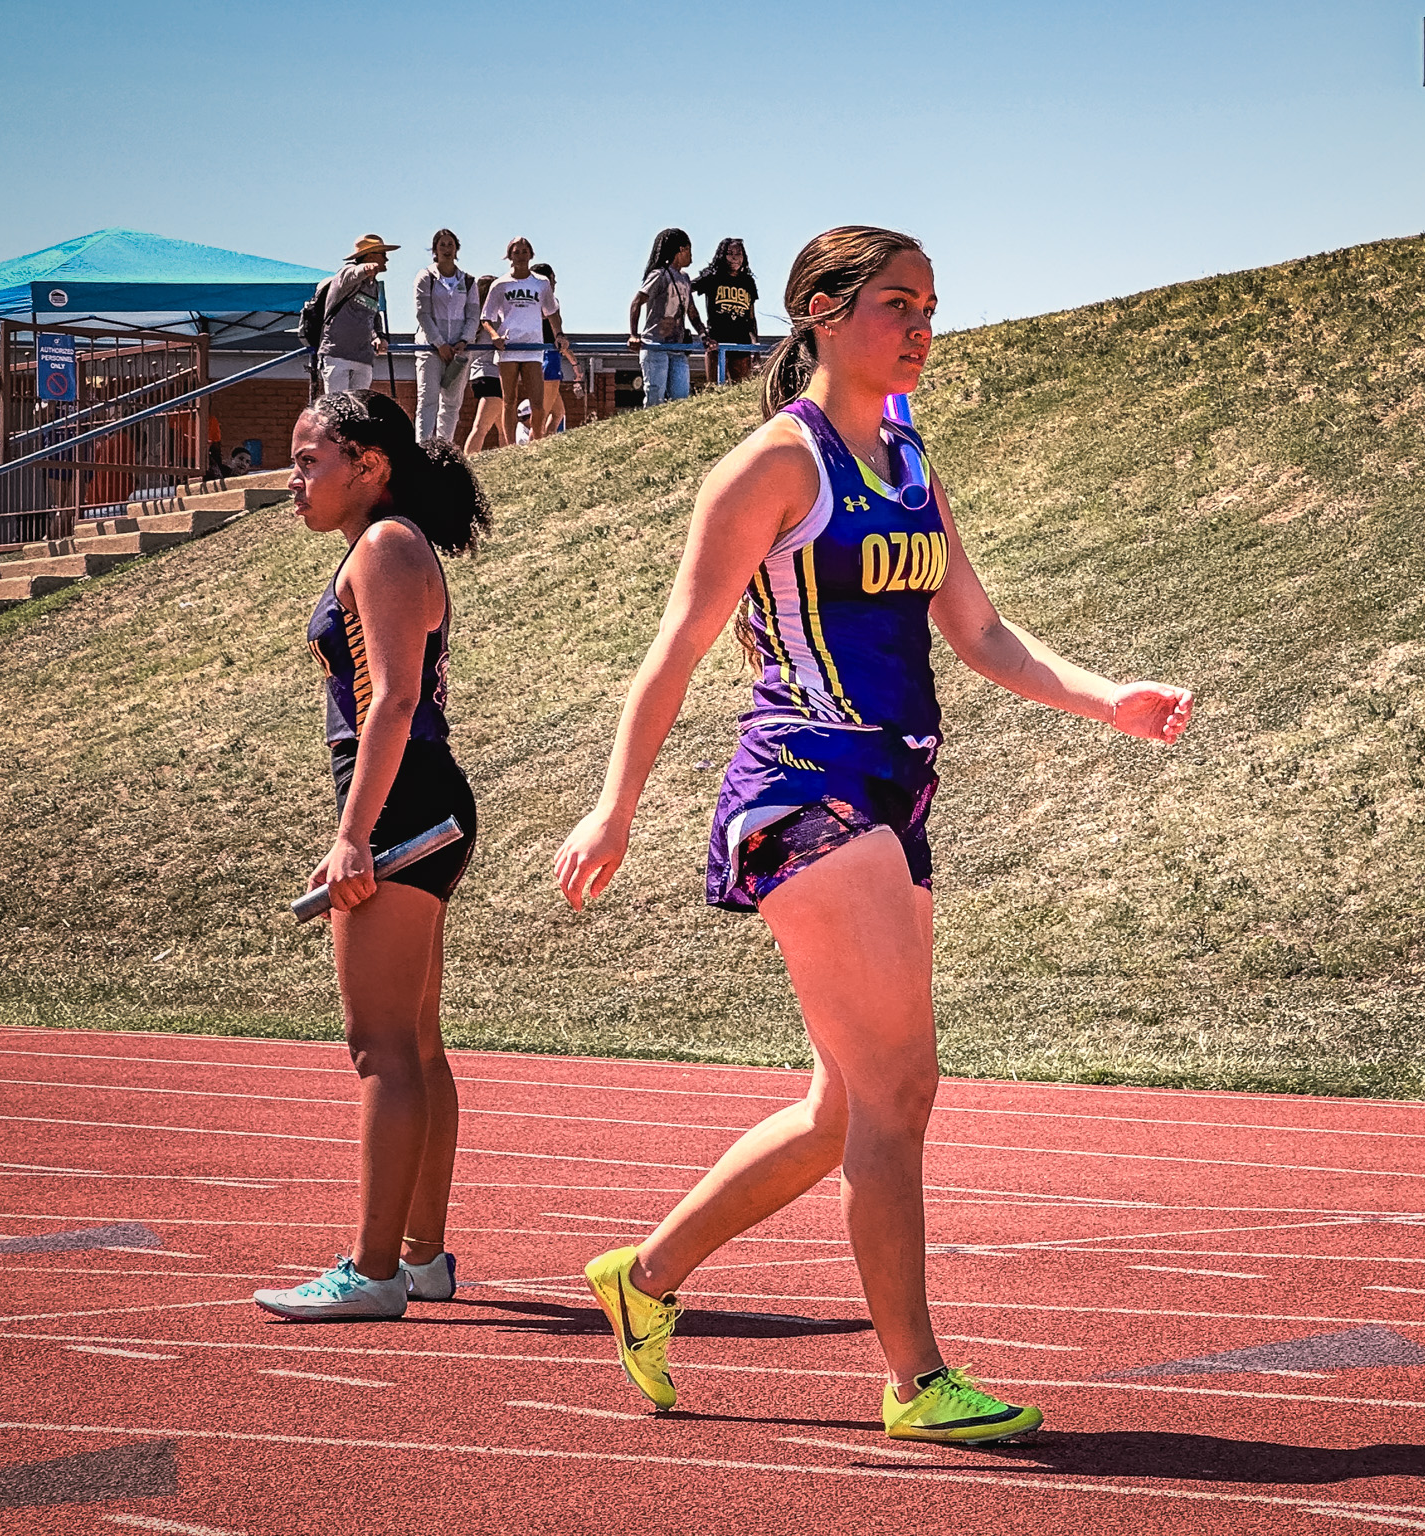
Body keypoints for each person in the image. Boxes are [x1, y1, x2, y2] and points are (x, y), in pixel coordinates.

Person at [552, 226, 1194, 1442]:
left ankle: (641, 1280)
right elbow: (678, 645)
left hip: (900, 792)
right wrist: (614, 804)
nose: (921, 327)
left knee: (843, 1109)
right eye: (898, 303)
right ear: (821, 311)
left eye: (932, 306)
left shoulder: (907, 459)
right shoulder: (769, 468)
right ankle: (914, 1381)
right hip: (801, 785)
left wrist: (1105, 695)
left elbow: (982, 633)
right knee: (904, 1086)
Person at [252, 390, 489, 1322]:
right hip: (415, 798)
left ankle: (374, 1269)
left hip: (402, 801)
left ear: (369, 464)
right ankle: (421, 1260)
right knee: (417, 1045)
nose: (295, 479)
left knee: (380, 1048)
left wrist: (353, 833)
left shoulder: (385, 546)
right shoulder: (386, 543)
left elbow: (391, 702)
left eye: (311, 459)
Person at [480, 239, 566, 441]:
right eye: (516, 252)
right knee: (509, 400)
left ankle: (536, 442)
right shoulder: (500, 284)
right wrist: (494, 336)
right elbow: (486, 317)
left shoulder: (541, 283)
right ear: (509, 255)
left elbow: (552, 313)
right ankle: (510, 446)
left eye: (524, 251)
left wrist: (560, 334)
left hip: (533, 348)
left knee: (538, 402)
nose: (520, 255)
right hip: (509, 349)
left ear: (531, 254)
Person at [628, 227, 712, 407]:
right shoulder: (659, 275)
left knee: (680, 398)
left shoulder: (685, 278)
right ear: (681, 250)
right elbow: (637, 302)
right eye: (689, 250)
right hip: (655, 345)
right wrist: (634, 335)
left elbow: (692, 312)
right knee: (655, 396)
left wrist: (703, 335)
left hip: (678, 346)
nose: (691, 256)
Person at [413, 229, 481, 443]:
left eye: (450, 244)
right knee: (428, 400)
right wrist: (439, 344)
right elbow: (422, 313)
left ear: (456, 248)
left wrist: (463, 341)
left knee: (452, 403)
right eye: (442, 245)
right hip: (430, 350)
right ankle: (423, 449)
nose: (446, 249)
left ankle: (444, 447)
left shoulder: (468, 281)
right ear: (434, 250)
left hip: (459, 352)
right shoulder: (425, 277)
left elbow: (473, 315)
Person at [319, 235, 396, 396]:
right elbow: (352, 273)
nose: (386, 259)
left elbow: (374, 314)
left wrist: (379, 336)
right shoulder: (345, 273)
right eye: (382, 254)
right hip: (337, 356)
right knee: (337, 411)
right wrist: (364, 269)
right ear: (369, 256)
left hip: (363, 359)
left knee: (358, 413)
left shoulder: (374, 285)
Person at [694, 238, 761, 384]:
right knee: (715, 388)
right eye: (730, 253)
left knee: (741, 389)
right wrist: (700, 328)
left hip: (741, 341)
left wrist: (756, 346)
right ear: (722, 256)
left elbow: (751, 317)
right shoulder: (712, 277)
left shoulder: (748, 281)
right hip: (716, 340)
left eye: (739, 253)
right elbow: (686, 289)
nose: (735, 257)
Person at [530, 261, 582, 435]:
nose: (555, 284)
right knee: (541, 416)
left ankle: (544, 445)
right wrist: (574, 364)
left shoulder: (530, 304)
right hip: (548, 359)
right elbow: (557, 340)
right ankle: (533, 451)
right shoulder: (549, 303)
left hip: (537, 359)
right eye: (554, 280)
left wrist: (574, 363)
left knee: (558, 412)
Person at [463, 276, 509, 455]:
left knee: (503, 427)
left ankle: (509, 465)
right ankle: (468, 463)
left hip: (479, 373)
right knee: (481, 427)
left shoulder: (474, 316)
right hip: (492, 373)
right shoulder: (494, 315)